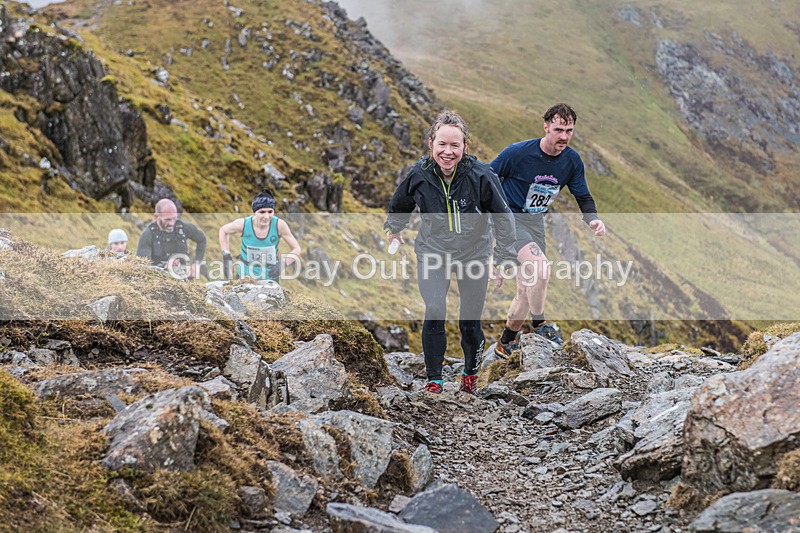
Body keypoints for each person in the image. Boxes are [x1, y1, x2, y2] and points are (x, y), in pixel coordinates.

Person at [384, 110, 518, 395]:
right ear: (431, 143)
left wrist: (504, 258)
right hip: (433, 250)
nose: (448, 151)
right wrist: (395, 228)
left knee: (469, 322)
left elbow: (503, 216)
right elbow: (400, 202)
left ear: (464, 147)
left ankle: (470, 374)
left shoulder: (481, 175)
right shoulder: (419, 174)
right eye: (442, 144)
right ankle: (434, 381)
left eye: (454, 145)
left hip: (474, 253)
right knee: (434, 309)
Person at [491, 103, 606, 356]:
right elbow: (486, 178)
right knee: (542, 269)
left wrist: (593, 219)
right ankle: (540, 324)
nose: (563, 136)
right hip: (510, 219)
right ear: (546, 127)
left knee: (526, 287)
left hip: (535, 222)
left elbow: (582, 195)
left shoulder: (572, 161)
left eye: (569, 130)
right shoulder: (517, 153)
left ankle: (506, 342)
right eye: (558, 129)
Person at [218, 190, 301, 282]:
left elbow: (296, 249)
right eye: (262, 212)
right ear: (255, 211)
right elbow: (223, 231)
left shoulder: (279, 225)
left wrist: (283, 264)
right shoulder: (243, 224)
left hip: (270, 278)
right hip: (245, 277)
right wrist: (226, 256)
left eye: (270, 211)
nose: (266, 216)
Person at [136, 198, 207, 279]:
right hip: (157, 281)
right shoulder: (147, 235)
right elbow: (142, 268)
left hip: (184, 280)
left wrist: (197, 264)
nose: (172, 223)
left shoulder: (182, 227)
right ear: (156, 217)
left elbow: (202, 239)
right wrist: (164, 268)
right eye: (168, 220)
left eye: (174, 218)